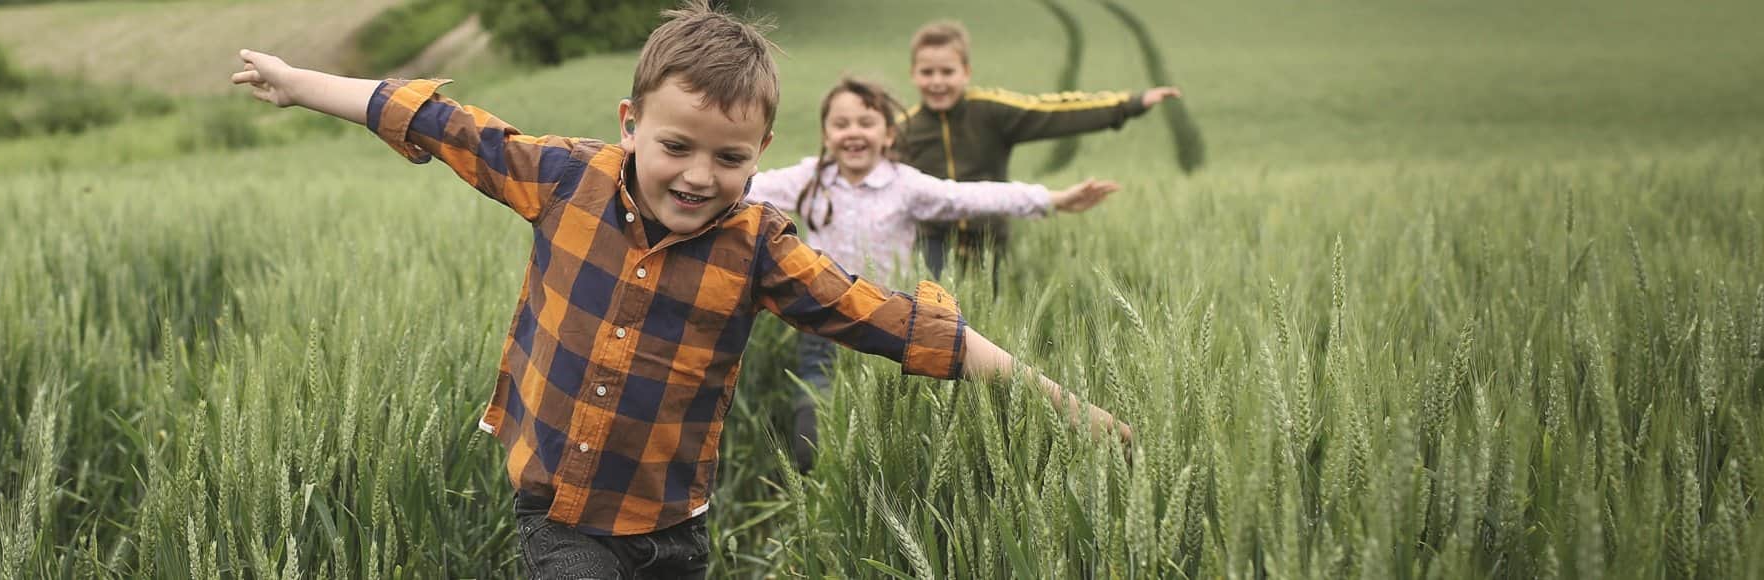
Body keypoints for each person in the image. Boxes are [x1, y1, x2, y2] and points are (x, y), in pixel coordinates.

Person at [231, 2, 1131, 576]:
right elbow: (440, 121)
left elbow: (898, 325)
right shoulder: (562, 177)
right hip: (565, 513)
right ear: (631, 126)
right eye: (676, 147)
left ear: (762, 153)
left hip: (677, 530)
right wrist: (300, 82)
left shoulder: (762, 249)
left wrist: (1068, 406)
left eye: (731, 158)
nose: (700, 175)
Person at [746, 76, 1119, 473]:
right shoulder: (810, 179)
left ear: (888, 134)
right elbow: (748, 186)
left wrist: (1051, 199)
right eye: (841, 124)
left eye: (865, 123)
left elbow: (969, 196)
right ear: (826, 133)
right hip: (819, 327)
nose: (853, 132)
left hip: (886, 325)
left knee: (885, 432)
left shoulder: (905, 185)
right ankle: (817, 488)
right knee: (812, 441)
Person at [897, 19, 1182, 279]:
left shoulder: (991, 111)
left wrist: (1128, 104)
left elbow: (1055, 112)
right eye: (927, 72)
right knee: (928, 324)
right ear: (913, 74)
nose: (937, 81)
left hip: (989, 240)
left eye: (947, 71)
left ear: (967, 72)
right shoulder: (902, 129)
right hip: (930, 243)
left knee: (983, 323)